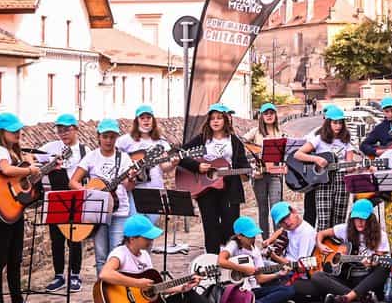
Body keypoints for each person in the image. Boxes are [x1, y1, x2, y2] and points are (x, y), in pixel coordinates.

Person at [96, 214, 252, 303]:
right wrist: (137, 283)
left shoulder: (144, 256)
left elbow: (153, 289)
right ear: (132, 238)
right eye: (147, 237)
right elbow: (105, 274)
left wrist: (180, 288)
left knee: (189, 295)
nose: (151, 240)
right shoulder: (120, 253)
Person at [0, 112, 43, 303]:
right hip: (3, 210)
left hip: (15, 207)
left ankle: (17, 302)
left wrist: (35, 169)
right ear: (2, 132)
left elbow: (22, 178)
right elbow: (6, 170)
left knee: (15, 258)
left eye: (18, 129)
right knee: (0, 259)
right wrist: (28, 167)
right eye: (13, 130)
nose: (18, 133)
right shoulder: (0, 150)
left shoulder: (14, 151)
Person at [179, 103, 252, 255]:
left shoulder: (235, 142)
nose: (216, 121)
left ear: (226, 120)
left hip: (230, 189)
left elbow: (244, 165)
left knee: (230, 225)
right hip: (206, 189)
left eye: (219, 118)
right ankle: (211, 258)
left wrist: (249, 172)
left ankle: (229, 258)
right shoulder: (202, 139)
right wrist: (197, 167)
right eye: (212, 118)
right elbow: (181, 155)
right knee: (210, 225)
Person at [70, 118, 138, 274]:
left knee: (117, 253)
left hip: (119, 211)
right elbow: (73, 182)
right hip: (98, 212)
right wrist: (89, 194)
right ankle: (102, 290)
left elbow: (128, 187)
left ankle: (116, 291)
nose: (108, 140)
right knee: (101, 256)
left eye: (112, 136)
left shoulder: (124, 158)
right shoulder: (91, 157)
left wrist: (132, 178)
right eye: (105, 136)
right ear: (99, 136)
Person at [38, 112, 86, 293]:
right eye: (60, 130)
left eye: (67, 129)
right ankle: (59, 275)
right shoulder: (50, 147)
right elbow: (33, 161)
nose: (63, 133)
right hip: (56, 197)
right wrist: (47, 166)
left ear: (76, 129)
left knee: (75, 237)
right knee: (56, 238)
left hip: (75, 197)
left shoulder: (84, 151)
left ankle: (75, 274)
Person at [316, 198, 392, 303]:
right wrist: (320, 245)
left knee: (385, 267)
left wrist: (371, 264)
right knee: (317, 276)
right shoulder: (344, 229)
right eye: (356, 218)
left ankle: (347, 298)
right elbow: (321, 234)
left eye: (363, 218)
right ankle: (362, 298)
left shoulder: (381, 235)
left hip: (367, 281)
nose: (359, 222)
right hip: (348, 278)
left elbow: (378, 259)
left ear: (370, 219)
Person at [295, 105, 359, 232]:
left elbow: (349, 163)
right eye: (335, 123)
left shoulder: (346, 141)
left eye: (340, 123)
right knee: (324, 219)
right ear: (328, 123)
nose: (338, 126)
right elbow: (298, 154)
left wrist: (354, 167)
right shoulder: (319, 139)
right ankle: (322, 247)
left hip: (341, 181)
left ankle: (337, 248)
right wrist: (316, 159)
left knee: (339, 219)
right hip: (324, 181)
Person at [217, 216, 296, 303]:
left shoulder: (255, 251)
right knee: (241, 298)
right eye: (249, 236)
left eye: (254, 235)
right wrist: (243, 269)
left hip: (253, 290)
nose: (253, 238)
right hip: (237, 291)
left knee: (289, 290)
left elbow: (260, 279)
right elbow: (221, 261)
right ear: (239, 236)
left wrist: (278, 274)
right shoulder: (234, 245)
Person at [117, 104, 176, 225]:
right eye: (142, 118)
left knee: (150, 228)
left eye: (148, 117)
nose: (146, 120)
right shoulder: (125, 140)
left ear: (153, 120)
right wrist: (130, 168)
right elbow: (115, 158)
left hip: (154, 190)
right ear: (137, 121)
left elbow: (164, 167)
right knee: (136, 225)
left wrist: (174, 163)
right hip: (134, 190)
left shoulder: (161, 142)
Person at [243, 103, 288, 235]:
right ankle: (265, 240)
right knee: (263, 210)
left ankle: (277, 240)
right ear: (261, 116)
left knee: (276, 208)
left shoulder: (281, 132)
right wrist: (254, 155)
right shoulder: (255, 131)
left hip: (275, 175)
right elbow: (242, 142)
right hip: (260, 175)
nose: (269, 116)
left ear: (275, 115)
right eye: (266, 113)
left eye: (271, 113)